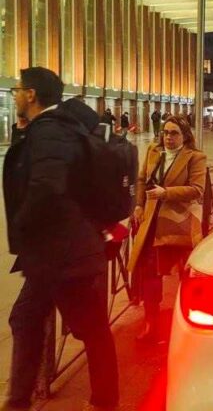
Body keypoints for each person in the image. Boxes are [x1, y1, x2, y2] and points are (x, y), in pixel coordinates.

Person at [2, 67, 119, 410]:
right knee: (39, 321)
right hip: (66, 250)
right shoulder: (54, 129)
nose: (16, 95)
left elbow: (48, 187)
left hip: (60, 254)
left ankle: (23, 402)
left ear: (32, 95)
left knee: (82, 328)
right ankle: (24, 400)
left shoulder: (51, 131)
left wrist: (23, 224)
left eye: (18, 90)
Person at [129, 114, 206, 342]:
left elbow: (197, 189)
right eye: (165, 132)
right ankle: (152, 323)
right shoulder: (154, 151)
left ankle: (189, 321)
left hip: (178, 222)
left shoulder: (195, 157)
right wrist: (139, 205)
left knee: (185, 272)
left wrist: (167, 193)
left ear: (184, 135)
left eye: (174, 133)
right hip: (152, 221)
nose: (168, 137)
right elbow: (142, 180)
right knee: (149, 272)